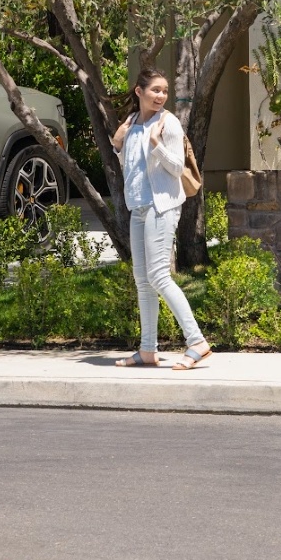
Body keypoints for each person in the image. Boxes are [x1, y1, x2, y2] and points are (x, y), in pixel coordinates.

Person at [112, 69, 211, 371]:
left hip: (162, 206)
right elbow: (132, 167)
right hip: (138, 207)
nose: (161, 96)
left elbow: (176, 166)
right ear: (139, 91)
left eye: (164, 90)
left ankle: (197, 342)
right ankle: (147, 350)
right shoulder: (131, 123)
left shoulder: (169, 124)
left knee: (158, 276)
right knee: (142, 281)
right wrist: (118, 145)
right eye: (155, 90)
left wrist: (156, 144)